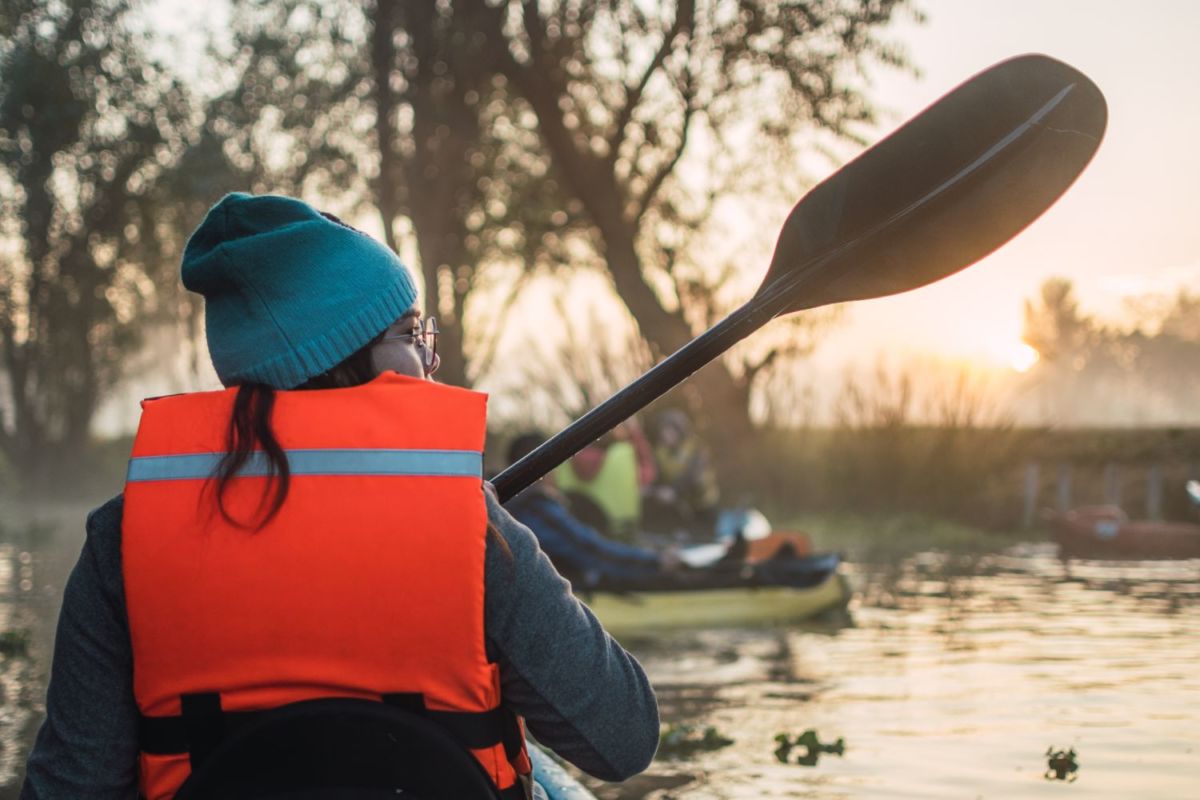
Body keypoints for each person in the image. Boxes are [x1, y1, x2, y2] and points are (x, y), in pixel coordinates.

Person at [20, 194, 658, 799]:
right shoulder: (464, 526)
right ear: (348, 357)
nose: (428, 361)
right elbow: (622, 738)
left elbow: (73, 787)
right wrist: (479, 524)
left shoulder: (123, 539)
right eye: (410, 334)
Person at [505, 433, 678, 588]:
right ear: (544, 467)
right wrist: (655, 562)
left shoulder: (511, 506)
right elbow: (589, 549)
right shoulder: (535, 508)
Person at [552, 422, 656, 541]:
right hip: (620, 532)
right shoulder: (626, 454)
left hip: (569, 532)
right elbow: (648, 476)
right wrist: (635, 435)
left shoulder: (562, 458)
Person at [644, 409, 720, 535]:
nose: (665, 435)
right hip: (681, 508)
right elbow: (657, 476)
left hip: (704, 505)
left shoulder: (696, 447)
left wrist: (674, 491)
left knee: (705, 534)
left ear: (679, 431)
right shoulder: (659, 452)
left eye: (670, 431)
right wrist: (651, 489)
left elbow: (694, 476)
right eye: (663, 431)